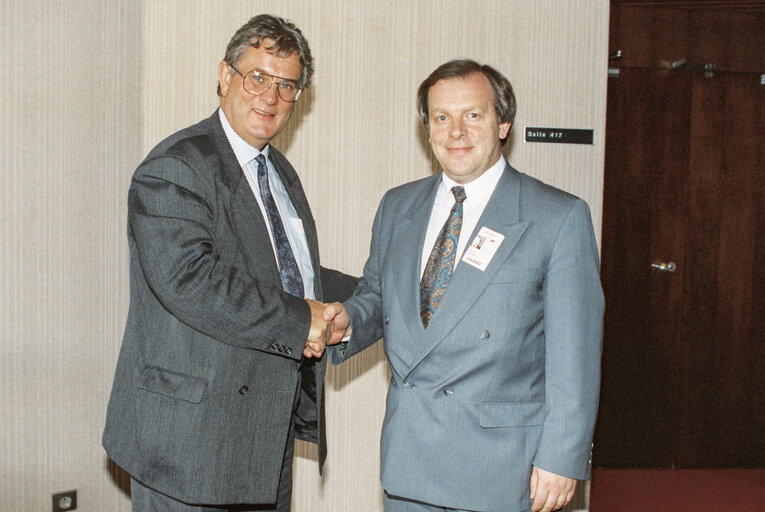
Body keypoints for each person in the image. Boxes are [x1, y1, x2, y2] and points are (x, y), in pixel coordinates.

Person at [323, 59, 604, 512]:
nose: (456, 131)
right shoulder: (397, 206)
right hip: (409, 462)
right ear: (427, 130)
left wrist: (563, 458)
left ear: (503, 124)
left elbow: (576, 356)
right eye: (441, 117)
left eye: (473, 115)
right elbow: (379, 296)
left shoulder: (558, 217)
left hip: (505, 469)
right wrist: (349, 321)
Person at [102, 14, 356, 512]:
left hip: (264, 434)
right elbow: (190, 280)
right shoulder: (175, 166)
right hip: (188, 442)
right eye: (257, 77)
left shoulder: (278, 170)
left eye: (287, 85)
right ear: (224, 76)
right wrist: (303, 318)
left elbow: (290, 274)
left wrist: (372, 291)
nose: (270, 97)